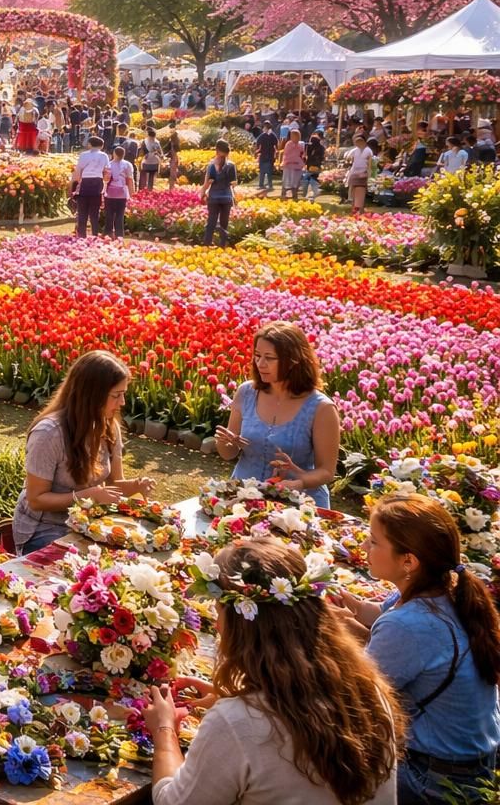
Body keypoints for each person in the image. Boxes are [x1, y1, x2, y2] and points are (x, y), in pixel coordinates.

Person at [143, 538, 401, 805]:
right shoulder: (367, 690)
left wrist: (164, 729)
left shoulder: (237, 722)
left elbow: (173, 803)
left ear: (242, 624)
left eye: (219, 612)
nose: (217, 626)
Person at [335, 493, 500, 804]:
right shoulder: (445, 591)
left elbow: (356, 692)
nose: (365, 548)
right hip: (472, 761)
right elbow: (384, 618)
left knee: (316, 753)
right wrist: (354, 607)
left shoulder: (409, 624)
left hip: (436, 780)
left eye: (374, 542)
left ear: (408, 561)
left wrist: (340, 634)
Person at [11, 351, 155, 554]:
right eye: (116, 395)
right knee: (89, 570)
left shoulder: (108, 427)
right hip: (45, 529)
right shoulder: (49, 434)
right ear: (92, 395)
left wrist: (134, 487)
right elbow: (36, 499)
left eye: (124, 394)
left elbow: (114, 483)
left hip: (90, 522)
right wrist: (87, 496)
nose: (122, 402)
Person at [213, 321, 339, 509]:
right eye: (257, 356)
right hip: (244, 501)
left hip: (297, 506)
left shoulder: (321, 408)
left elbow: (327, 471)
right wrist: (225, 442)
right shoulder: (246, 392)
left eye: (269, 358)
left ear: (293, 360)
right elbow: (228, 454)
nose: (260, 363)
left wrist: (300, 482)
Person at [199, 141, 237, 247]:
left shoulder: (212, 165)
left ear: (217, 150)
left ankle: (207, 242)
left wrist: (202, 193)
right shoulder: (231, 166)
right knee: (224, 222)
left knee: (211, 220)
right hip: (226, 198)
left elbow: (208, 182)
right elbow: (233, 184)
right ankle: (222, 243)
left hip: (214, 197)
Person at [70, 136, 109, 239]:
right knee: (94, 211)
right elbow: (107, 171)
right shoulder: (104, 156)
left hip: (85, 182)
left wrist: (75, 184)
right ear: (101, 145)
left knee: (82, 210)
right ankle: (95, 234)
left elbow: (78, 171)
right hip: (98, 182)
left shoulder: (84, 155)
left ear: (90, 144)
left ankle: (82, 235)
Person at [104, 145, 133, 239]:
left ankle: (108, 233)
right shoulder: (127, 165)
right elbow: (130, 180)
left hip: (110, 193)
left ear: (114, 154)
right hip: (122, 193)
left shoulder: (109, 164)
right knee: (120, 214)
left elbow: (105, 179)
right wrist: (132, 193)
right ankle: (119, 234)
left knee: (109, 214)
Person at [348, 133, 376, 214]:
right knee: (353, 192)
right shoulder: (355, 150)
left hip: (363, 173)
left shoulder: (368, 151)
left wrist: (369, 174)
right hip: (354, 173)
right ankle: (354, 209)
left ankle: (359, 210)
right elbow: (352, 161)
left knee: (360, 192)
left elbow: (370, 164)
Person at [255, 125, 278, 191]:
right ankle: (269, 185)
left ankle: (261, 185)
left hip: (264, 155)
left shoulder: (262, 136)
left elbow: (257, 143)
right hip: (270, 156)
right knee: (269, 172)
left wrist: (257, 151)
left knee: (262, 172)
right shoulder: (273, 135)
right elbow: (276, 144)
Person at [139, 126, 162, 191]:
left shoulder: (144, 141)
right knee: (151, 176)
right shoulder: (157, 142)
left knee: (143, 175)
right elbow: (160, 153)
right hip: (155, 162)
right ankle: (150, 189)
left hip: (145, 161)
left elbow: (141, 152)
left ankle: (142, 189)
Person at [305, 132, 326, 199]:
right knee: (314, 179)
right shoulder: (321, 148)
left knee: (309, 179)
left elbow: (308, 155)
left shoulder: (309, 147)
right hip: (316, 166)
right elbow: (322, 157)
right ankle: (314, 192)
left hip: (310, 165)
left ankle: (309, 193)